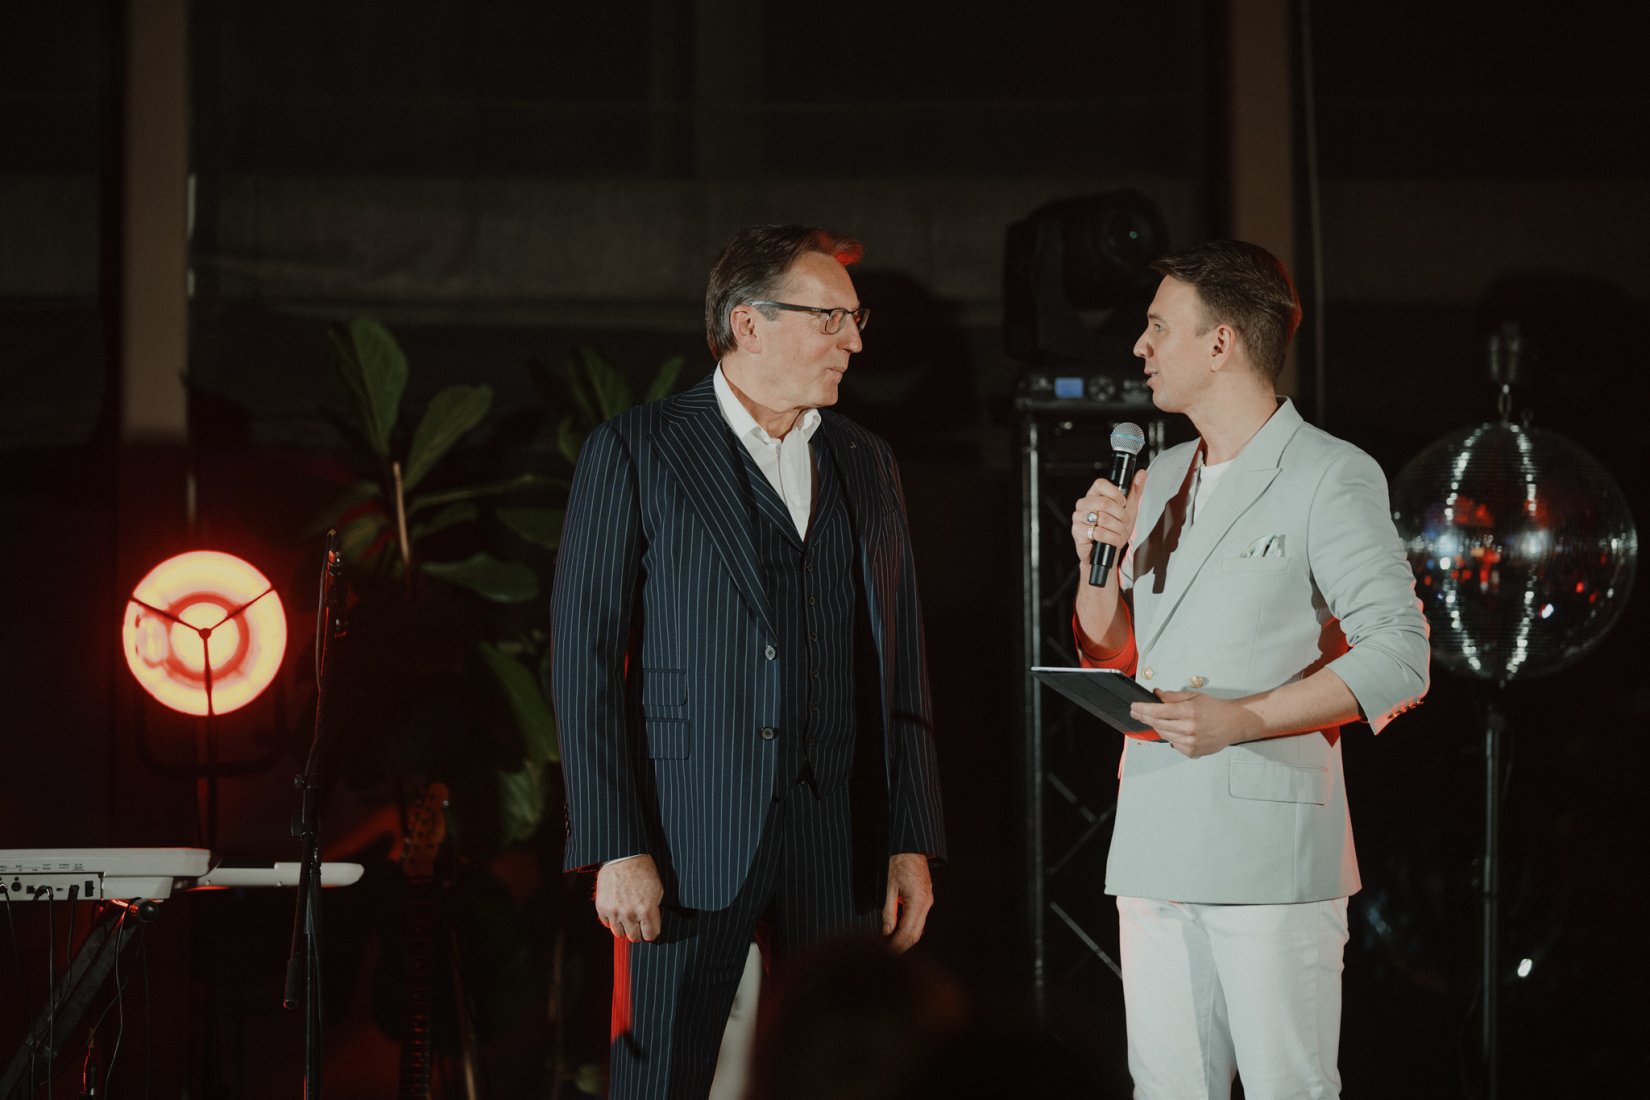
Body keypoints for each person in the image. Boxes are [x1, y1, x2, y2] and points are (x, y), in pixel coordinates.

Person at [550, 224, 946, 1099]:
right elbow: (584, 661)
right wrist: (615, 844)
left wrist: (909, 838)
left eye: (855, 319)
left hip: (835, 836)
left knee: (846, 1078)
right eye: (830, 318)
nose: (854, 341)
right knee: (661, 1079)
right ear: (748, 323)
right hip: (686, 835)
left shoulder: (865, 461)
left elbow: (900, 664)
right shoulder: (638, 449)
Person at [1071, 239, 1429, 1098]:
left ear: (1221, 342)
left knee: (1287, 1088)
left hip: (1269, 846)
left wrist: (1247, 717)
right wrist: (1095, 567)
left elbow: (1400, 654)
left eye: (1159, 327)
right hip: (1156, 830)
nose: (1140, 347)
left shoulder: (1329, 473)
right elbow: (1115, 648)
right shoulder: (1160, 474)